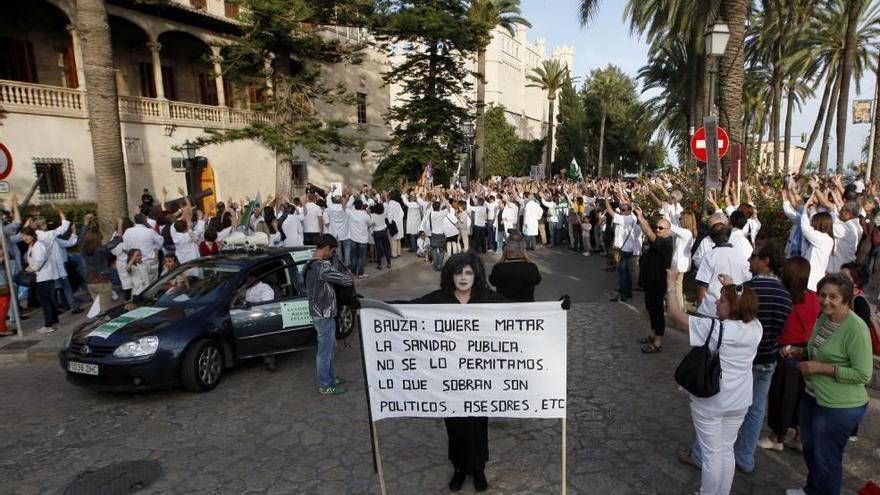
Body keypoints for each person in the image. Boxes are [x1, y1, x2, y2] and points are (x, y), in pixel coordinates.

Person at [408, 253, 505, 492]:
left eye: (469, 272)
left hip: (480, 374)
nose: (463, 278)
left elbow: (520, 310)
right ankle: (460, 469)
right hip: (449, 376)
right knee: (456, 424)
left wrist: (556, 307)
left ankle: (479, 468)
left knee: (478, 423)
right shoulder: (439, 299)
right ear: (450, 275)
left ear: (476, 275)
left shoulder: (486, 298)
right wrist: (371, 308)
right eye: (458, 272)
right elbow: (407, 308)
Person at [666, 270, 763, 495]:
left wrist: (671, 284)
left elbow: (675, 315)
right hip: (740, 400)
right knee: (726, 450)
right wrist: (731, 286)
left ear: (734, 307)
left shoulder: (717, 329)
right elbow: (743, 300)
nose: (717, 303)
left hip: (712, 399)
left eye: (722, 300)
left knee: (711, 453)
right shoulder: (756, 327)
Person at [782, 273, 873, 495]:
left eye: (833, 296)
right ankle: (812, 489)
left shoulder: (856, 329)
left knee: (827, 459)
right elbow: (820, 350)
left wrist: (821, 368)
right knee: (811, 450)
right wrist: (801, 351)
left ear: (845, 299)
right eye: (823, 295)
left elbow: (863, 374)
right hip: (813, 396)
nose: (826, 301)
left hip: (840, 407)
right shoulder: (825, 317)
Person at [762, 256, 819, 451]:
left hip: (787, 349)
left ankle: (777, 435)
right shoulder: (813, 297)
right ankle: (800, 435)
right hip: (807, 349)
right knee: (802, 395)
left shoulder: (784, 297)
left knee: (782, 394)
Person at [304, 234, 354, 395]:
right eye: (332, 251)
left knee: (330, 348)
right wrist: (348, 274)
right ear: (326, 248)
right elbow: (346, 280)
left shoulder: (308, 264)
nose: (332, 254)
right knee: (325, 352)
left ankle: (331, 377)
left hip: (319, 312)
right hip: (324, 314)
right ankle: (325, 385)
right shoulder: (321, 266)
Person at [634, 206, 673, 353]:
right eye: (656, 227)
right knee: (650, 309)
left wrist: (641, 217)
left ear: (668, 230)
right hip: (649, 281)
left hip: (658, 283)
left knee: (657, 312)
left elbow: (650, 235)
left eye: (661, 228)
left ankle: (658, 342)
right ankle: (652, 335)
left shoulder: (666, 242)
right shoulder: (660, 239)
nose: (657, 229)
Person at [21, 226, 61, 334]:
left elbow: (38, 261)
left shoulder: (38, 245)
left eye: (27, 236)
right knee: (49, 300)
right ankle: (54, 322)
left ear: (32, 235)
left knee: (45, 301)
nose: (25, 238)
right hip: (44, 276)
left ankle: (48, 325)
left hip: (44, 276)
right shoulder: (33, 245)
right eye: (23, 236)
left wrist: (32, 268)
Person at [488, 233, 541, 302]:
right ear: (523, 249)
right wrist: (527, 258)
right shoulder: (531, 267)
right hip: (527, 306)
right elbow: (537, 280)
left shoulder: (498, 268)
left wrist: (502, 258)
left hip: (504, 305)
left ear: (507, 249)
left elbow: (492, 281)